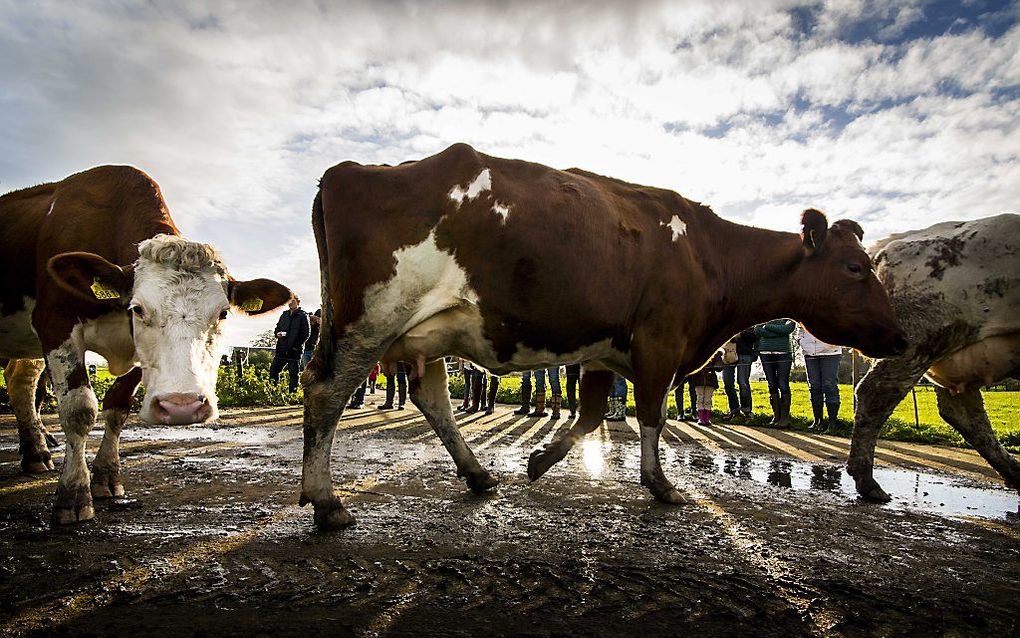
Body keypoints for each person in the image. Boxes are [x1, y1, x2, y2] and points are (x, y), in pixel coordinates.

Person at [798, 324, 843, 432]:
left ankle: (832, 423)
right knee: (814, 386)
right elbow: (800, 329)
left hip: (830, 352)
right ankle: (818, 421)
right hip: (809, 353)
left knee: (829, 385)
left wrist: (831, 343)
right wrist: (801, 341)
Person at [755, 319, 795, 428]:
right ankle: (776, 416)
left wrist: (767, 326)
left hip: (783, 353)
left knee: (783, 383)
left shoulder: (788, 317)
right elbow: (757, 330)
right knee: (772, 384)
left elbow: (787, 329)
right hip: (765, 352)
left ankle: (785, 418)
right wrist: (778, 333)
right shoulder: (765, 314)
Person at [269, 296, 309, 392]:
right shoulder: (284, 315)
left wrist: (296, 346)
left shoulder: (303, 316)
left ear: (298, 302)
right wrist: (277, 333)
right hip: (281, 349)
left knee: (293, 374)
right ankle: (273, 392)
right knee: (273, 371)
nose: (291, 303)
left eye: (293, 301)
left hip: (294, 351)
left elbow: (306, 334)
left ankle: (293, 394)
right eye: (289, 301)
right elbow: (277, 327)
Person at [721, 328, 758, 421]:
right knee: (727, 383)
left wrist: (741, 334)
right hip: (728, 352)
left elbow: (754, 336)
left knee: (743, 383)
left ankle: (747, 411)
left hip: (745, 353)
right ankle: (735, 410)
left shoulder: (748, 319)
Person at [692, 351, 722, 425]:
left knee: (708, 399)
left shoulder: (715, 352)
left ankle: (707, 419)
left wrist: (717, 365)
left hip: (710, 380)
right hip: (698, 379)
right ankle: (701, 418)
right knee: (700, 398)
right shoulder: (695, 352)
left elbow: (720, 366)